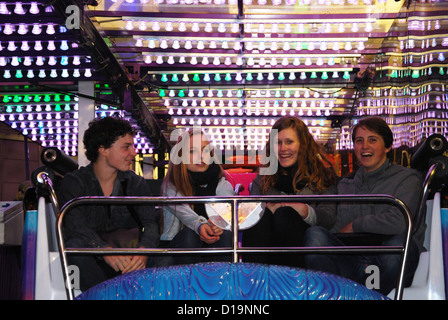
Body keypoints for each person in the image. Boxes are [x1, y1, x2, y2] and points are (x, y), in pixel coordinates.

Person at [304, 117, 424, 296]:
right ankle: (339, 295)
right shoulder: (345, 184)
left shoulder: (407, 179)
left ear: (387, 146)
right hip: (353, 261)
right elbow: (336, 227)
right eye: (359, 141)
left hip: (388, 261)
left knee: (396, 246)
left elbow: (400, 221)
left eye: (372, 140)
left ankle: (365, 296)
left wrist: (356, 225)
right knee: (315, 237)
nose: (364, 146)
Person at [59, 116, 160, 292]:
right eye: (126, 147)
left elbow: (150, 223)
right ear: (103, 149)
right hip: (93, 262)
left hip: (130, 260)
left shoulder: (136, 183)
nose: (134, 153)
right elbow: (74, 226)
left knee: (165, 259)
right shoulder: (74, 182)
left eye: (132, 146)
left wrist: (143, 252)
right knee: (75, 247)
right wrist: (103, 250)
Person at [242, 116, 339, 267]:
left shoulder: (322, 176)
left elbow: (329, 218)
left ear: (302, 145)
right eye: (278, 143)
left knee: (284, 215)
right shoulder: (263, 178)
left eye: (289, 142)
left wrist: (303, 210)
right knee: (262, 216)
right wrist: (265, 209)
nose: (282, 148)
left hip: (304, 249)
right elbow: (248, 216)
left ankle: (291, 281)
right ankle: (255, 281)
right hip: (266, 249)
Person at [160, 128, 234, 265]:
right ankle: (187, 285)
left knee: (225, 235)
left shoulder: (222, 184)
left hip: (211, 249)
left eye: (205, 150)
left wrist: (220, 223)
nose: (201, 156)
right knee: (190, 235)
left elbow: (226, 205)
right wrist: (201, 225)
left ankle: (223, 283)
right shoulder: (170, 186)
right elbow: (184, 213)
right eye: (193, 151)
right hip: (175, 252)